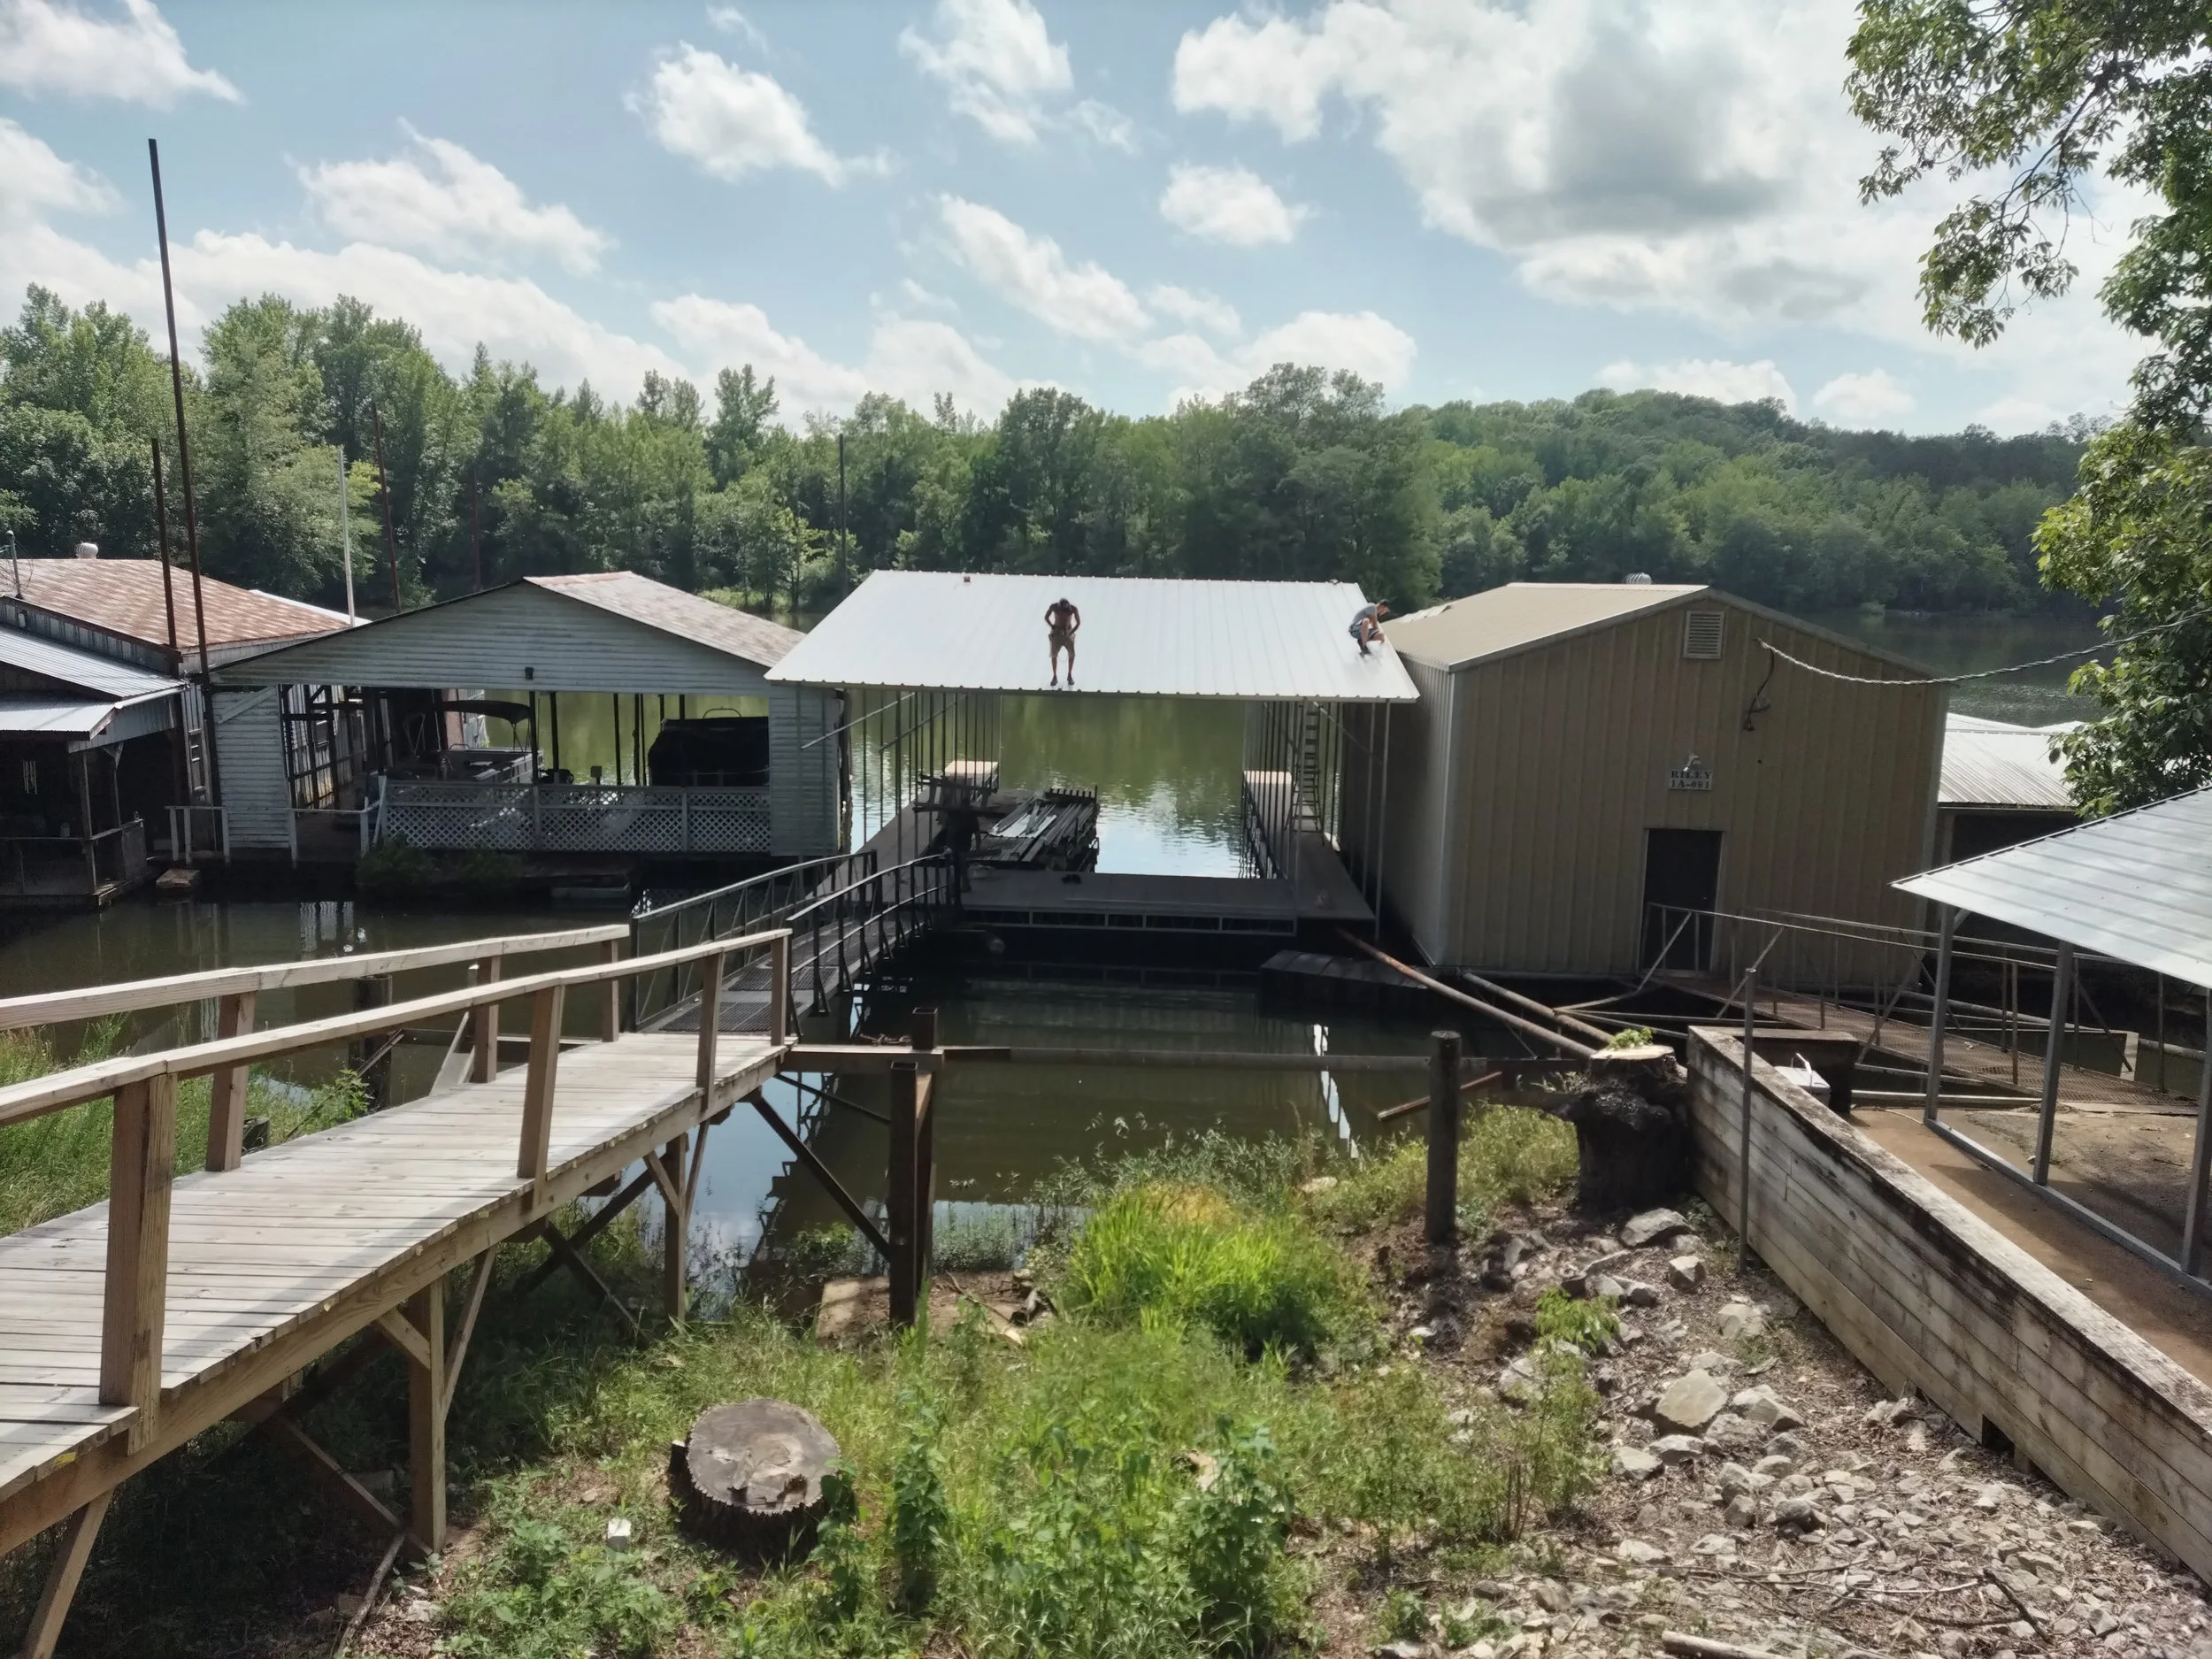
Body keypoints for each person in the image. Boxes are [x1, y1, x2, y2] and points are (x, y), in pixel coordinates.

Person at [1046, 595, 1081, 686]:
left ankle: (1069, 675)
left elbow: (1078, 623)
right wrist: (1052, 626)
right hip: (1057, 632)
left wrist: (1071, 632)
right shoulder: (1054, 607)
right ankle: (1054, 676)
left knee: (1072, 654)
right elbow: (1046, 617)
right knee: (1054, 655)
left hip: (1068, 631)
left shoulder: (1073, 609)